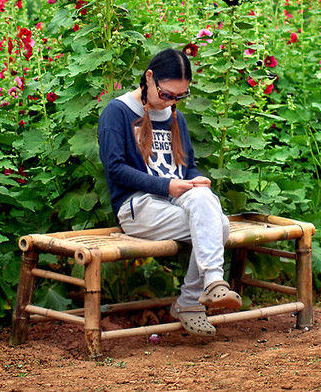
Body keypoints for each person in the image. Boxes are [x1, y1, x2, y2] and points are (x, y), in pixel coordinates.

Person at [97, 47, 241, 336]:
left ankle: (210, 286)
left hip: (176, 201)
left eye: (179, 97)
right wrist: (166, 186)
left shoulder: (176, 117)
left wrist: (197, 180)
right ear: (149, 78)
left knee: (209, 207)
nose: (171, 102)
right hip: (137, 207)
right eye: (166, 94)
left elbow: (188, 168)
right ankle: (194, 299)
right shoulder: (118, 112)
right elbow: (115, 169)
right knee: (219, 226)